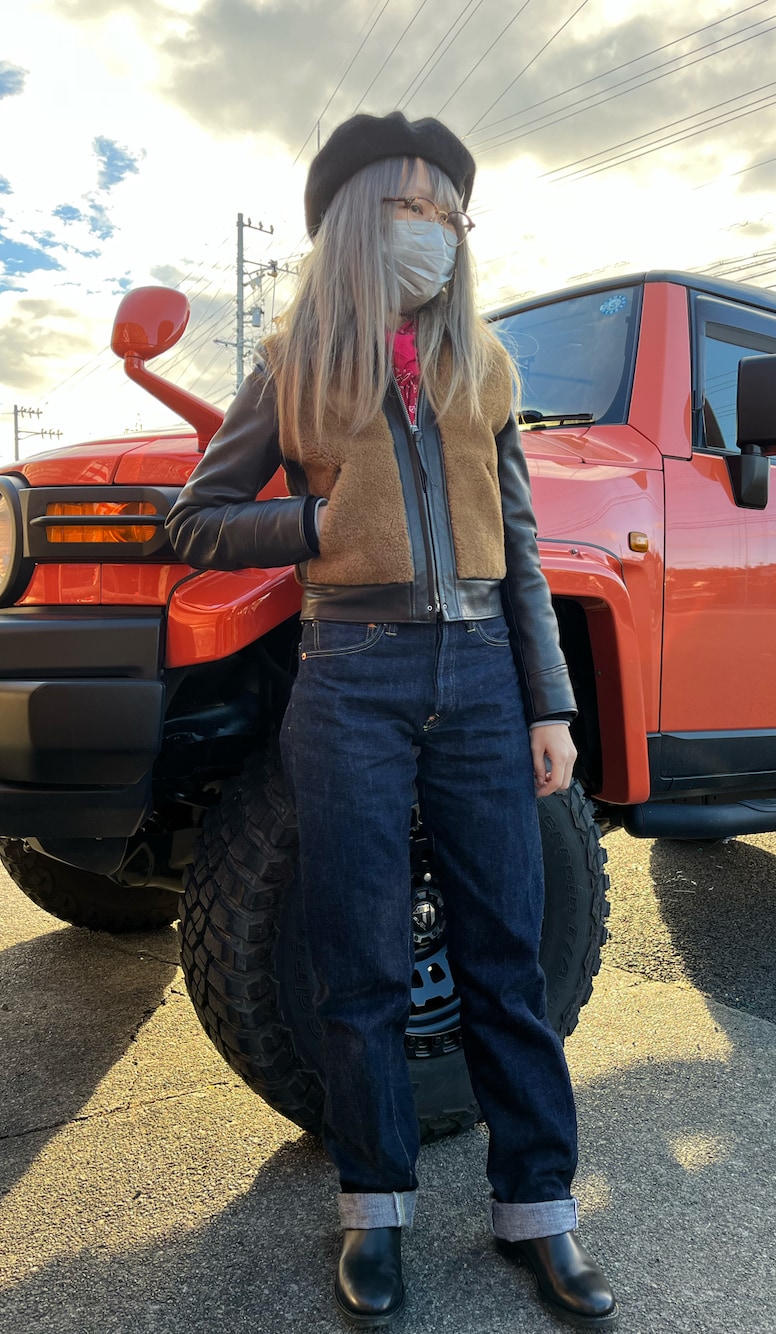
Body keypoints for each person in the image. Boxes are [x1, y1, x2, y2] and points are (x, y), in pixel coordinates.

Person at [166, 110, 618, 1330]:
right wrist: (320, 525)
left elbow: (520, 544)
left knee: (505, 952)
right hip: (349, 673)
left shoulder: (485, 366)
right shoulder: (292, 364)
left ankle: (539, 1206)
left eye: (452, 214)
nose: (438, 231)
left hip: (480, 677)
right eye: (413, 207)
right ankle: (375, 1205)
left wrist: (549, 702)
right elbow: (195, 519)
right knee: (358, 955)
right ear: (359, 223)